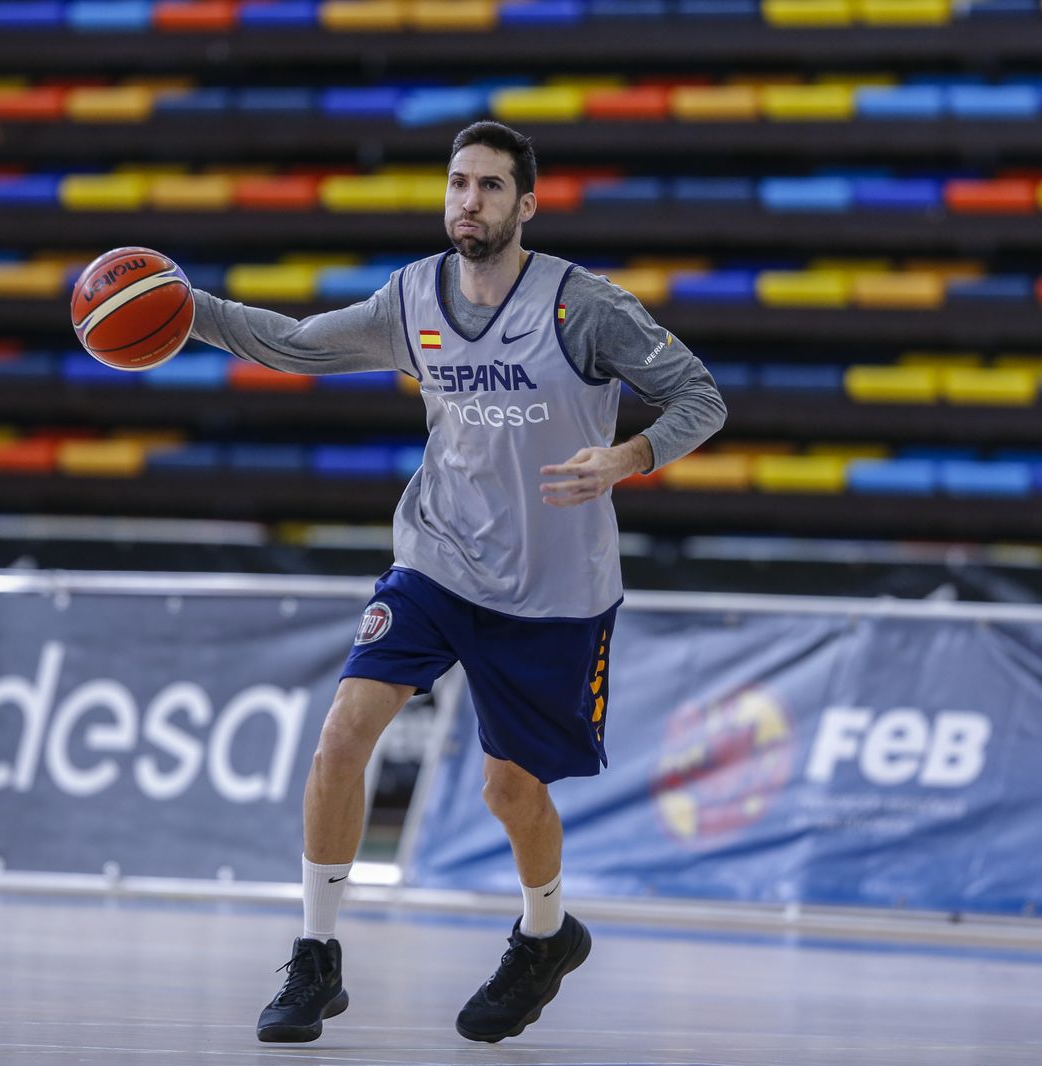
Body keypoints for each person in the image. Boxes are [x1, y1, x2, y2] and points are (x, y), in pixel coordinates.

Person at [185, 121, 726, 1044]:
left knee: (509, 794)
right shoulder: (412, 298)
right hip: (436, 559)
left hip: (553, 589)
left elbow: (701, 397)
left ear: (527, 204)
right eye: (457, 184)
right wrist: (184, 308)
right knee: (341, 738)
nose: (468, 201)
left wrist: (627, 457)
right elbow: (299, 344)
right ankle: (316, 953)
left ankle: (546, 935)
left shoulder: (582, 308)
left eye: (489, 186)